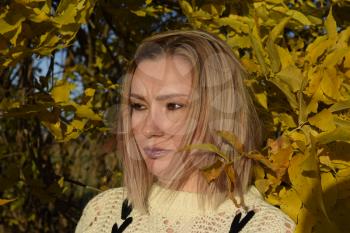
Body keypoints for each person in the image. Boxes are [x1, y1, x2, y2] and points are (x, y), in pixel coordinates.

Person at [75, 30, 295, 233]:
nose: (149, 128)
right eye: (139, 106)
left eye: (174, 106)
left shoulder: (263, 228)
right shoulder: (104, 213)